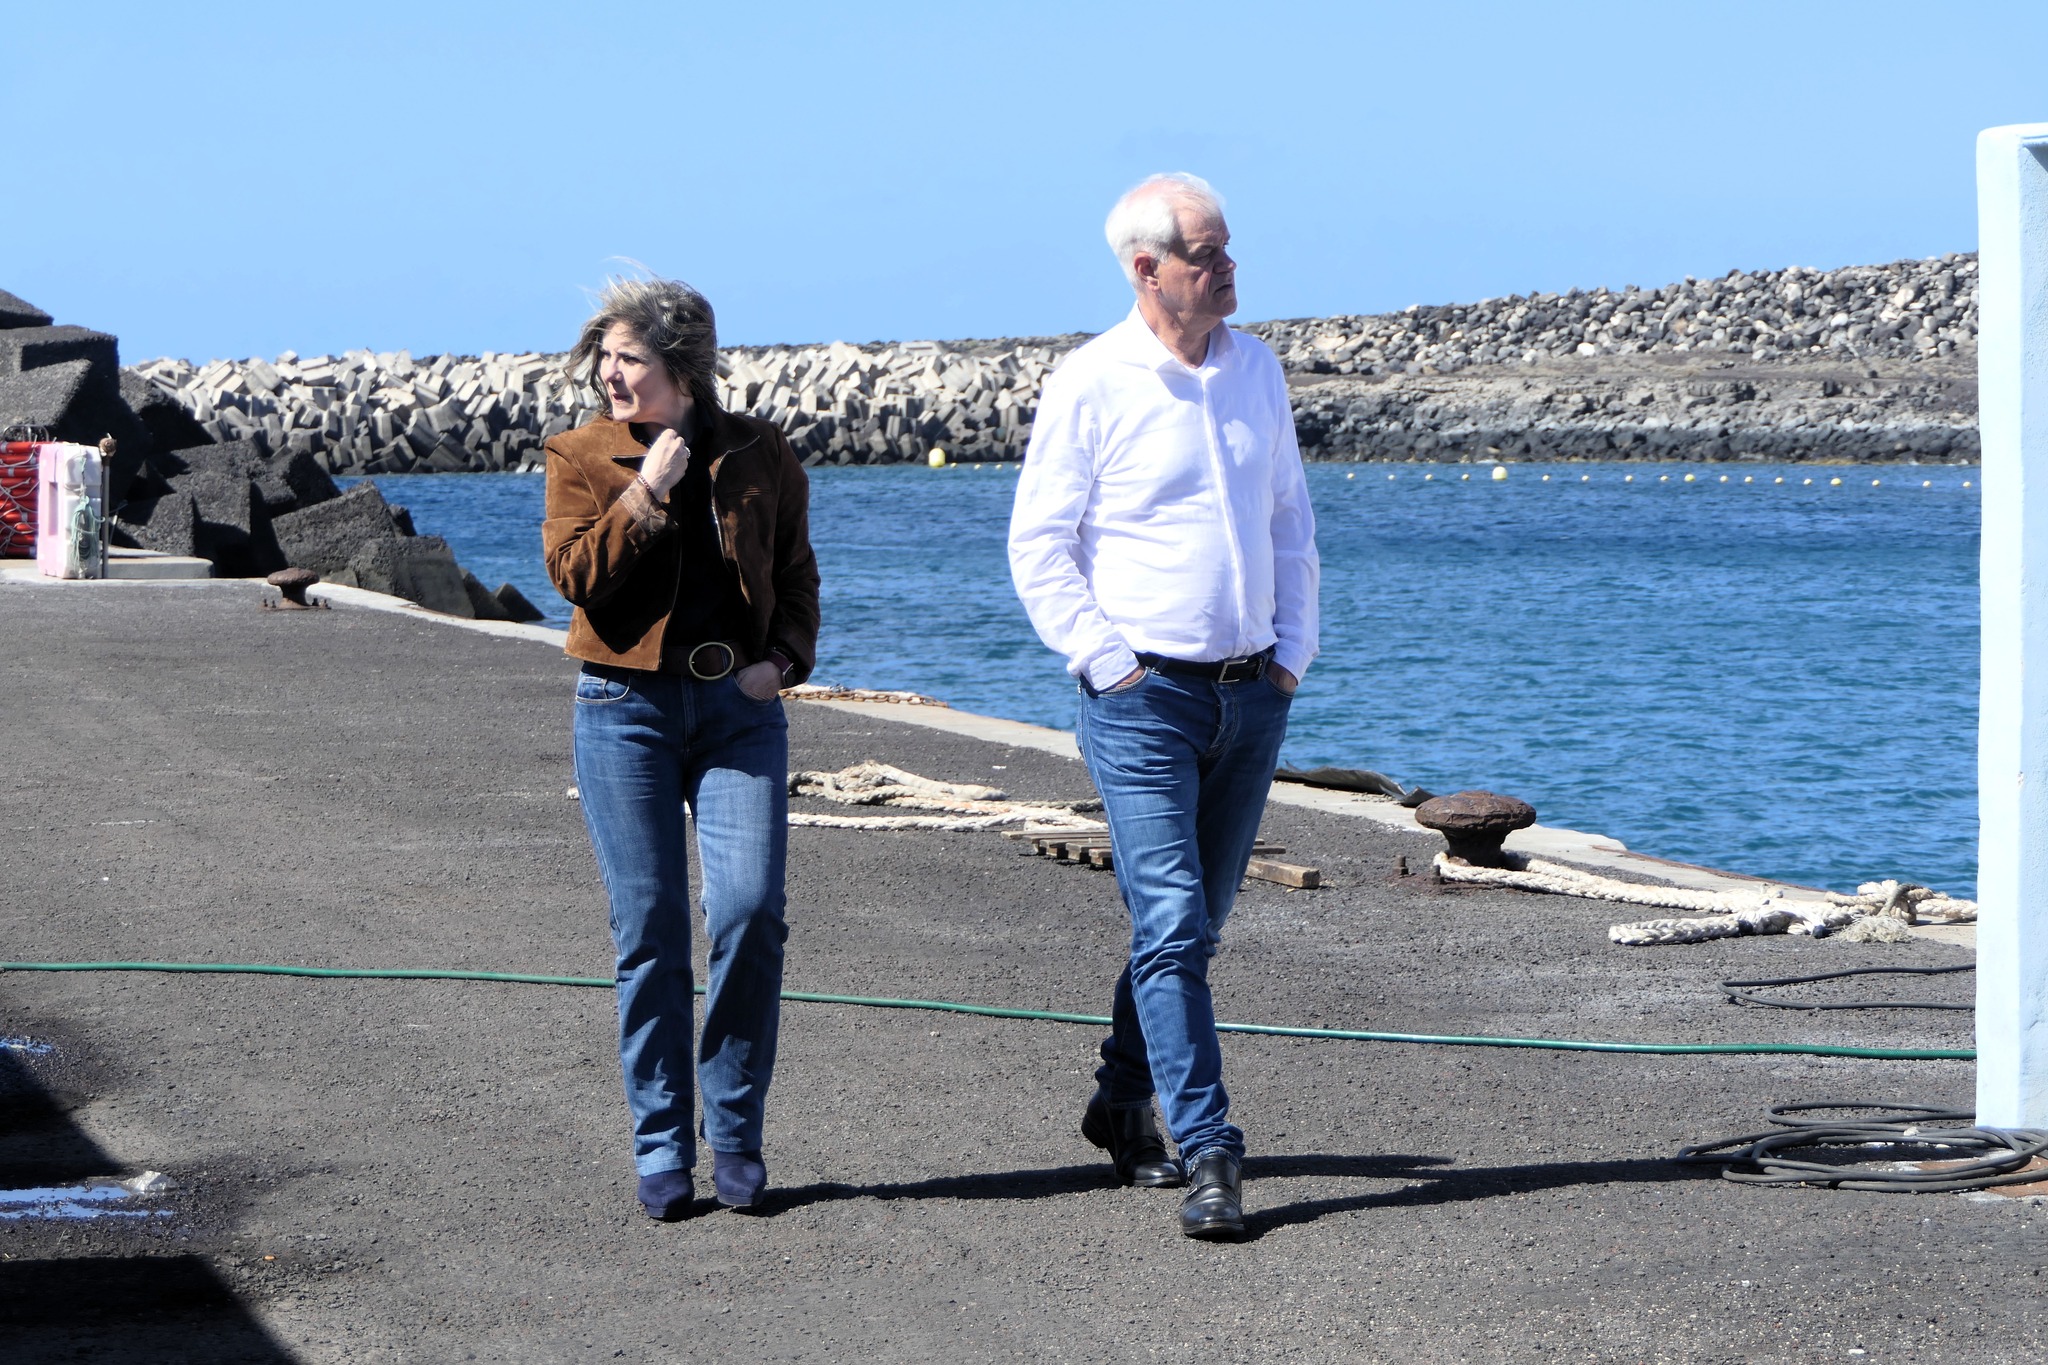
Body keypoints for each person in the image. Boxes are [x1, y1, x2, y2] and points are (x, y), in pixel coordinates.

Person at [1007, 174, 1319, 1240]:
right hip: (1143, 698)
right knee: (1174, 922)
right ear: (1147, 270)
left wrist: (1291, 654)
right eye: (1206, 256)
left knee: (1189, 924)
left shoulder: (1255, 370)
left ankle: (1116, 1097)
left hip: (1249, 691)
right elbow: (1037, 546)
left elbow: (1288, 520)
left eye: (1228, 251)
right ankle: (1211, 1151)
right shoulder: (1090, 382)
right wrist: (1105, 662)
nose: (1229, 269)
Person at [543, 276, 820, 1221]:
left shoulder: (759, 449)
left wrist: (783, 660)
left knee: (748, 913)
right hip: (622, 708)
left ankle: (734, 1132)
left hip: (738, 708)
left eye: (632, 361)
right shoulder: (580, 454)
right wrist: (645, 494)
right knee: (651, 930)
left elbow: (793, 568)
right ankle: (662, 1143)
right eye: (606, 360)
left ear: (684, 370)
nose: (612, 377)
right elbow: (573, 577)